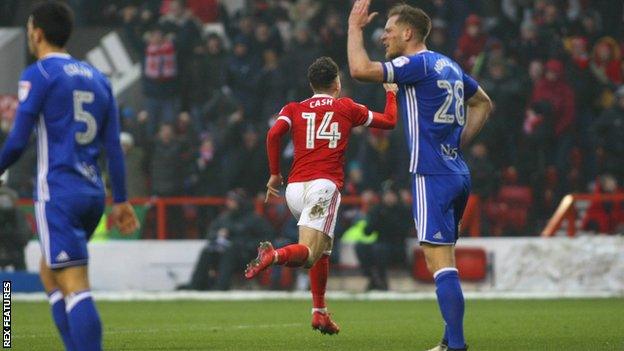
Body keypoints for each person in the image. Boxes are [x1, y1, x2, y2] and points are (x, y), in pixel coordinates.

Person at [347, 2, 492, 351]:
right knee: (446, 257)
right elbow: (484, 102)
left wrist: (354, 27)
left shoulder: (416, 64)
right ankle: (448, 339)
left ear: (408, 33)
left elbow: (359, 69)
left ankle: (456, 345)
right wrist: (458, 142)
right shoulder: (450, 65)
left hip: (431, 173)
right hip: (456, 170)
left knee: (438, 262)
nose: (384, 35)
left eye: (390, 29)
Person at [0, 2, 139, 350]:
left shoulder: (39, 74)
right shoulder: (98, 78)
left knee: (75, 281)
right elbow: (113, 149)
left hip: (58, 193)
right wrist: (120, 200)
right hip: (92, 194)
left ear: (36, 33)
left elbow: (17, 140)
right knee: (50, 271)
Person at [244, 56, 398, 335]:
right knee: (310, 254)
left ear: (311, 84)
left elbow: (273, 134)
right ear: (337, 83)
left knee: (322, 250)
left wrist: (275, 174)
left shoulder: (293, 108)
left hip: (294, 190)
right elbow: (389, 121)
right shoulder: (347, 107)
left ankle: (320, 312)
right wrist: (391, 93)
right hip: (323, 187)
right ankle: (273, 255)